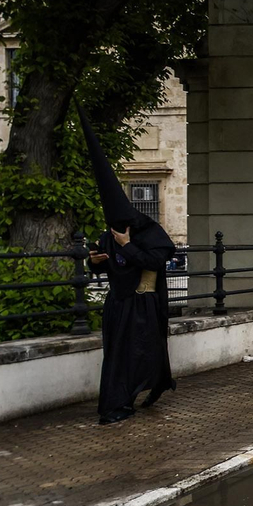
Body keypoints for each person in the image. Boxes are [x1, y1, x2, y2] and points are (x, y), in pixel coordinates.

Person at [80, 110, 177, 424]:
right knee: (118, 356)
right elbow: (100, 265)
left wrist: (127, 245)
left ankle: (147, 387)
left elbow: (154, 261)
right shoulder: (111, 233)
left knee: (142, 354)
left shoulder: (151, 234)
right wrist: (94, 262)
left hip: (145, 303)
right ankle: (116, 404)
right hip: (118, 305)